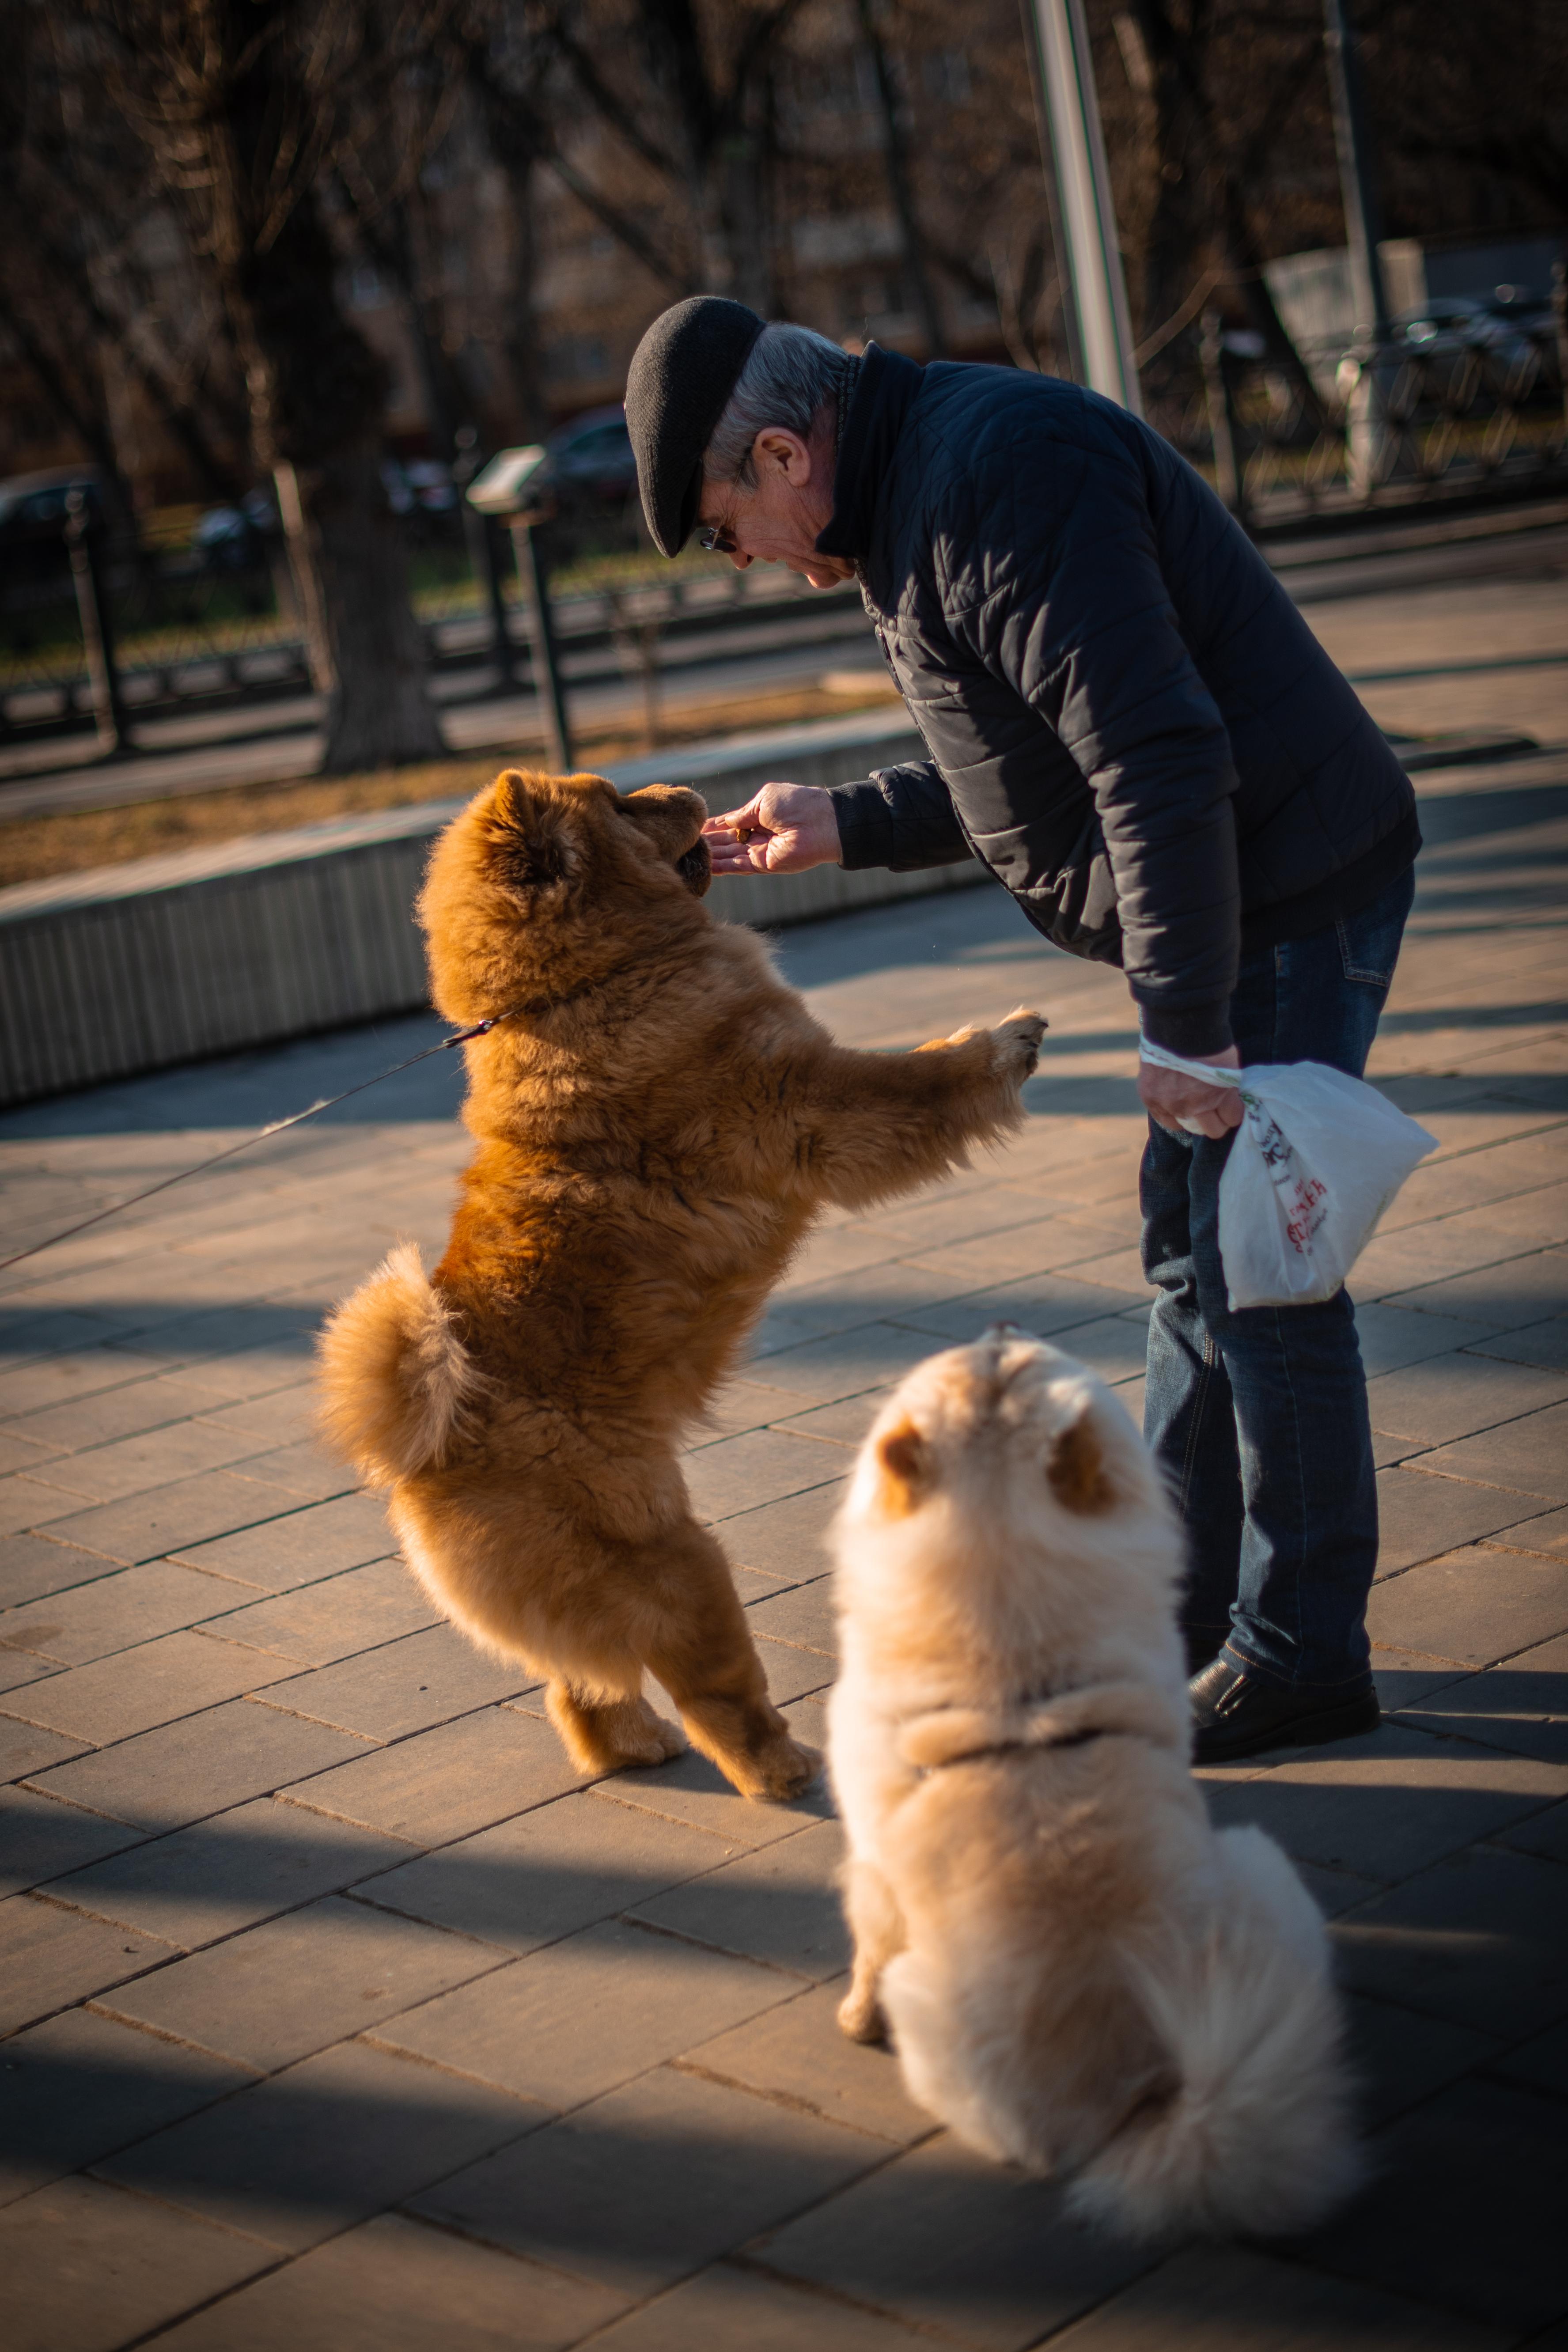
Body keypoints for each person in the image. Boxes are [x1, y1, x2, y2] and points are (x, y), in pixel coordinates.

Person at [623, 296, 1419, 1762]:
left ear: (785, 455)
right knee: (1198, 1263)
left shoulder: (996, 476)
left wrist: (1185, 1028)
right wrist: (849, 820)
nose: (751, 563)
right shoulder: (913, 498)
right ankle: (1170, 1612)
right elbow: (1027, 754)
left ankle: (1303, 1650)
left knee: (1262, 1272)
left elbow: (1154, 753)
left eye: (731, 533)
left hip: (1286, 888)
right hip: (1237, 892)